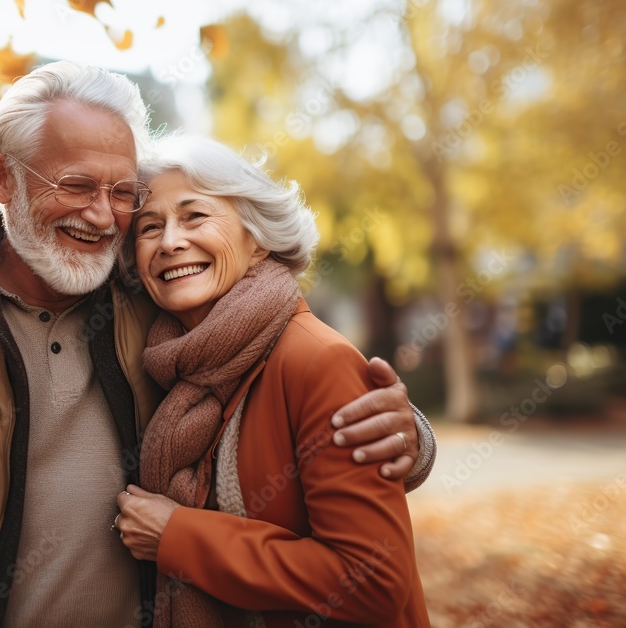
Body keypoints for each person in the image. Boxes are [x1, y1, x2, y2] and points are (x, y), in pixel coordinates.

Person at [0, 61, 436, 628]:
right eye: (77, 184)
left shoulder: (154, 311)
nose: (101, 215)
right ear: (4, 179)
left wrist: (406, 433)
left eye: (121, 194)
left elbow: (267, 358)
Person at [115, 135, 430, 627]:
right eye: (149, 227)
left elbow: (371, 581)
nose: (170, 241)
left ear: (257, 238)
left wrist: (178, 537)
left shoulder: (315, 361)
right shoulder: (171, 361)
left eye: (195, 216)